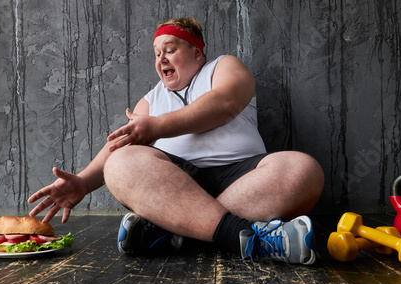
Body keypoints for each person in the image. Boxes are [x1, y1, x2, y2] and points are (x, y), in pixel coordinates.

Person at [28, 17, 324, 264]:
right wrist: (83, 182)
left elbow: (225, 103)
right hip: (175, 182)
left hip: (245, 176)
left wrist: (156, 127)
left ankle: (172, 229)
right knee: (120, 163)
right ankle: (248, 239)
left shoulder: (224, 66)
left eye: (169, 50)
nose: (161, 59)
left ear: (197, 52)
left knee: (304, 169)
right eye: (157, 54)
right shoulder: (152, 98)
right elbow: (120, 142)